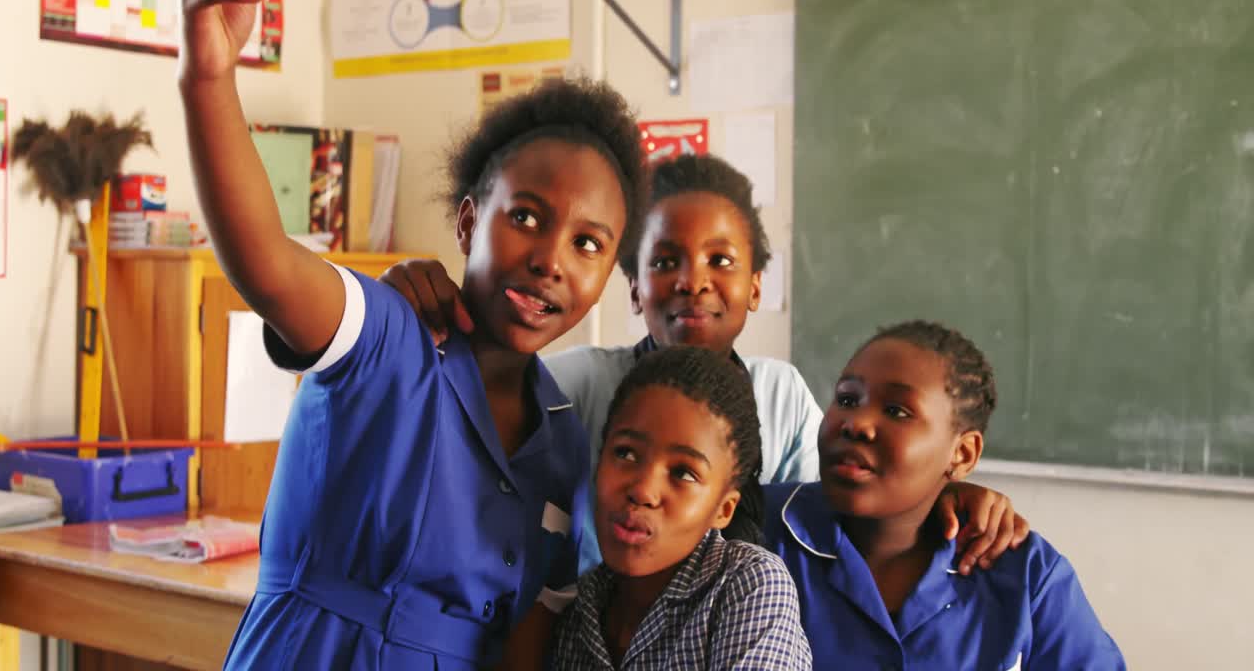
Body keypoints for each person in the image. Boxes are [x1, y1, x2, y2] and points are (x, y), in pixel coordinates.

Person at [177, 0, 647, 667]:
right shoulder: (390, 332)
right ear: (466, 224)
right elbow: (267, 267)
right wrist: (209, 75)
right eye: (525, 216)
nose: (551, 258)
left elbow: (527, 634)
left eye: (587, 243)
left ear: (609, 272)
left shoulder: (562, 443)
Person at [382, 154, 1029, 576]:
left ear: (754, 286)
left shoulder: (777, 392)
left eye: (721, 261)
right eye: (664, 262)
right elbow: (464, 437)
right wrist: (412, 304)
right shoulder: (578, 382)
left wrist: (947, 493)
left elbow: (849, 508)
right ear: (632, 288)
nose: (693, 282)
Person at [765, 321, 1125, 669]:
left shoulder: (1025, 575)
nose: (855, 423)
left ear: (963, 454)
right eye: (847, 398)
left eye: (896, 410)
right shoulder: (756, 532)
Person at [551, 346, 812, 670]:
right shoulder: (582, 609)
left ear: (724, 509)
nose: (643, 490)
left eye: (683, 473)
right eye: (626, 454)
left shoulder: (748, 585)